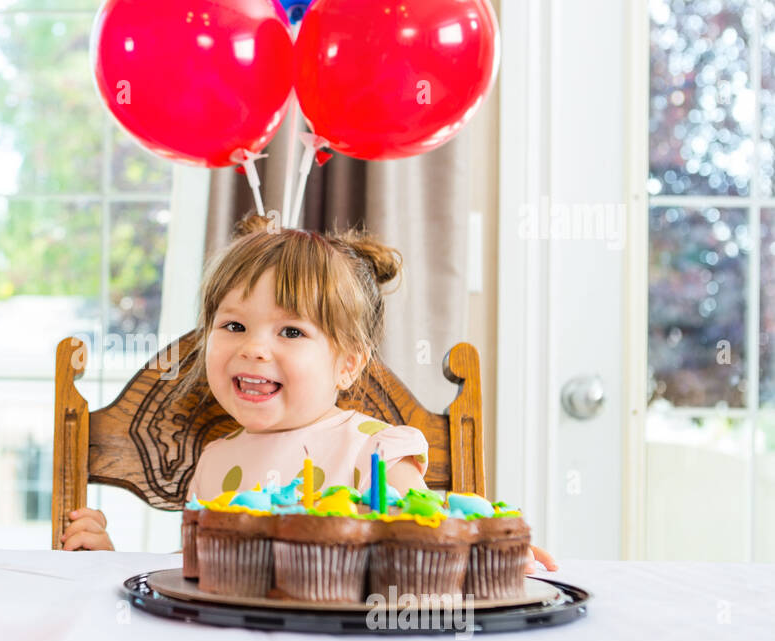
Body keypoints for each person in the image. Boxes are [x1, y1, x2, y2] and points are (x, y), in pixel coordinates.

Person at [60, 214, 559, 573]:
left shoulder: (375, 451)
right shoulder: (214, 460)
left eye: (291, 332)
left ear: (348, 364)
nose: (254, 348)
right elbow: (198, 570)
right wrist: (113, 563)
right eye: (233, 324)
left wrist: (487, 555)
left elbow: (424, 542)